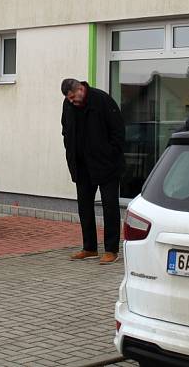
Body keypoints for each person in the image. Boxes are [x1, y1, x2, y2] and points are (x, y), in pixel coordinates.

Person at [60, 78, 126, 265]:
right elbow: (65, 129)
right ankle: (89, 248)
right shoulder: (68, 105)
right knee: (84, 207)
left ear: (81, 88)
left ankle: (111, 250)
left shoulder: (102, 100)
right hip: (82, 166)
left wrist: (110, 154)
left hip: (106, 165)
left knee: (110, 207)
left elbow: (118, 131)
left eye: (74, 97)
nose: (72, 101)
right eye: (69, 99)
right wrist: (70, 150)